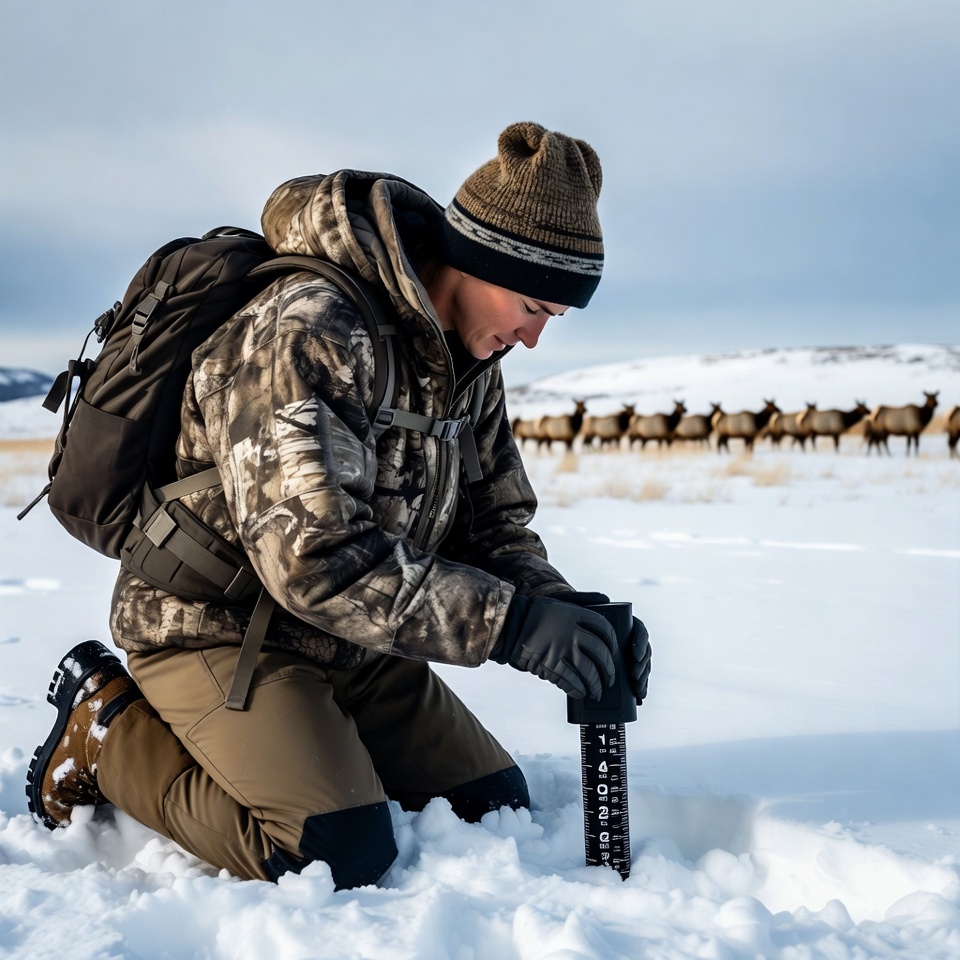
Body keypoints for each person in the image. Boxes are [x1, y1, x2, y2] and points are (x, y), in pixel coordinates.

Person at [27, 121, 651, 889]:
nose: (531, 340)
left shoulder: (465, 360)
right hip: (214, 626)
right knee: (331, 851)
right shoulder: (310, 326)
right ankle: (105, 732)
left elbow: (493, 524)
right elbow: (312, 560)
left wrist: (567, 617)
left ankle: (308, 742)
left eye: (552, 319)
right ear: (477, 261)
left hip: (350, 641)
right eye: (532, 306)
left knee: (490, 810)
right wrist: (513, 627)